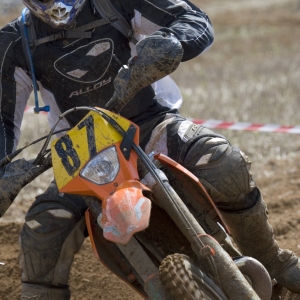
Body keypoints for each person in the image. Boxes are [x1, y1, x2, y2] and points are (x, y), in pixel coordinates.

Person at [0, 0, 299, 299]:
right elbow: (3, 122)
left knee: (224, 163)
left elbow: (193, 19)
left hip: (151, 123)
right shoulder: (14, 42)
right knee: (43, 231)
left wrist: (169, 43)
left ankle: (273, 261)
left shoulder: (114, 3)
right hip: (82, 152)